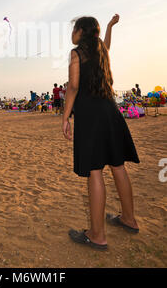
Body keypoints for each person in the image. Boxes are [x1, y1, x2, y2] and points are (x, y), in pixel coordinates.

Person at [62, 14, 140, 251]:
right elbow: (107, 45)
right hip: (110, 111)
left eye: (74, 28)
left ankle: (97, 235)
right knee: (118, 166)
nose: (71, 33)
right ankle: (129, 219)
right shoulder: (101, 52)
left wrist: (65, 117)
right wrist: (108, 27)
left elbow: (73, 87)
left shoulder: (76, 54)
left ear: (80, 32)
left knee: (95, 171)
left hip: (90, 115)